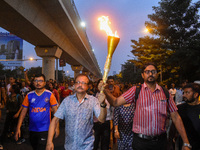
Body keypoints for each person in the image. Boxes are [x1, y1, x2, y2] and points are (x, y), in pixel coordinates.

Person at [101, 62, 191, 150]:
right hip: (141, 142)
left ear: (157, 74)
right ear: (142, 75)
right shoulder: (135, 91)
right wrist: (105, 91)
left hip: (160, 142)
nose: (150, 74)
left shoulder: (165, 92)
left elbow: (175, 117)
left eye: (153, 71)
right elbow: (115, 102)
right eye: (147, 72)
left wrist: (186, 142)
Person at [46, 74, 107, 150]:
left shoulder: (93, 101)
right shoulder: (67, 101)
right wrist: (49, 142)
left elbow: (102, 119)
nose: (80, 85)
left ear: (88, 86)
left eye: (83, 83)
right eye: (78, 82)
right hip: (69, 146)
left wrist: (103, 104)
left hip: (87, 146)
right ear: (74, 85)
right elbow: (55, 120)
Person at [15, 74, 59, 150]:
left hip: (45, 129)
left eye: (40, 81)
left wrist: (56, 127)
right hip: (32, 129)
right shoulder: (29, 95)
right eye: (36, 81)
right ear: (33, 83)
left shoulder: (49, 94)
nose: (38, 83)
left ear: (45, 83)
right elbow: (23, 113)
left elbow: (56, 112)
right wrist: (18, 128)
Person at [177, 83, 200, 150]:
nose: (184, 95)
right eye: (184, 93)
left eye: (187, 93)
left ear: (196, 95)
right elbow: (173, 127)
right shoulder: (179, 109)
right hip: (185, 145)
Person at [0, 84, 23, 149]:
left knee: (17, 127)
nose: (9, 88)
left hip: (16, 113)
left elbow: (21, 105)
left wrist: (18, 113)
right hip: (10, 113)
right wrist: (7, 109)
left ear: (13, 89)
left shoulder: (18, 96)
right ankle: (1, 142)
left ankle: (18, 139)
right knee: (6, 127)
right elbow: (7, 104)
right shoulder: (9, 96)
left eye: (10, 88)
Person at [93, 79, 114, 150]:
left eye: (103, 84)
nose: (102, 86)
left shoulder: (109, 96)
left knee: (105, 144)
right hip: (96, 123)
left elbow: (111, 109)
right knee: (94, 144)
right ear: (97, 86)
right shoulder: (93, 97)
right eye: (100, 84)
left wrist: (111, 123)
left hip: (106, 122)